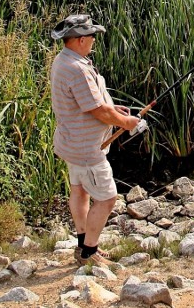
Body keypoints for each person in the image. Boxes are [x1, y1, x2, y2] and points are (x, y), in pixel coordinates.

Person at [50, 14, 142, 266]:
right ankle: (89, 253)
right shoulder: (77, 69)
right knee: (107, 197)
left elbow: (94, 101)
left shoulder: (64, 61)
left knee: (79, 191)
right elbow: (97, 110)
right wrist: (127, 123)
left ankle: (82, 243)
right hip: (87, 149)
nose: (94, 40)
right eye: (91, 36)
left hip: (71, 143)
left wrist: (115, 108)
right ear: (79, 40)